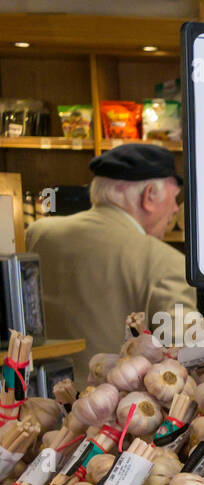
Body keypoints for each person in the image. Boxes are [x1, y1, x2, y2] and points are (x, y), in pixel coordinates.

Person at [26, 143, 193, 382]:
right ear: (148, 196)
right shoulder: (166, 262)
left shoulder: (39, 233)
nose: (176, 208)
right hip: (114, 412)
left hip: (34, 401)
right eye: (174, 198)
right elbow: (182, 357)